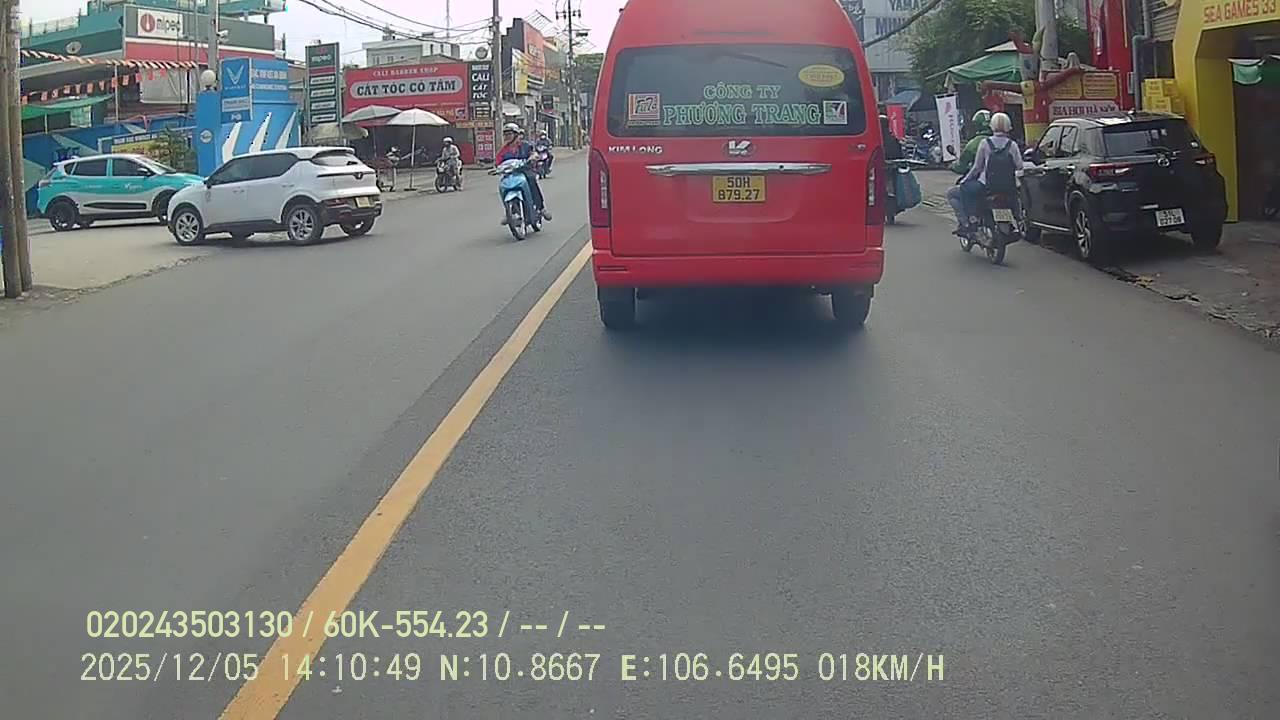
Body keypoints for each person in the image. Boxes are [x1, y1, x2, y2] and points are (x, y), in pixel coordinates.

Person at [952, 111, 1023, 235]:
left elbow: (977, 168)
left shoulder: (985, 143)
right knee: (1017, 199)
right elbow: (1019, 166)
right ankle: (1018, 220)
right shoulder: (1012, 145)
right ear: (1008, 126)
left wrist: (965, 180)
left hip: (986, 185)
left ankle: (972, 220)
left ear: (992, 126)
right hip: (1008, 187)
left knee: (964, 189)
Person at [946, 110, 992, 231]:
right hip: (1005, 185)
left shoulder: (975, 143)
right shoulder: (1008, 143)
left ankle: (966, 223)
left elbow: (964, 166)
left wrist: (954, 166)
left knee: (952, 193)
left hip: (981, 184)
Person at [496, 123, 551, 221]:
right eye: (506, 134)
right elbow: (498, 162)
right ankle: (509, 211)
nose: (507, 137)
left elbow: (533, 153)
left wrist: (533, 157)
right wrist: (497, 168)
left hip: (525, 171)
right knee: (503, 186)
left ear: (516, 135)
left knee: (531, 180)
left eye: (509, 134)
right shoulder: (503, 150)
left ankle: (541, 208)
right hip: (510, 173)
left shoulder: (525, 146)